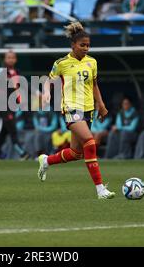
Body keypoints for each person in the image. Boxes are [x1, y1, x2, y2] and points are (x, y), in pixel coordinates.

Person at [37, 22, 116, 200]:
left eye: (88, 45)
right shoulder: (62, 63)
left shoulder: (92, 62)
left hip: (88, 110)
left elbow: (94, 85)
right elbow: (49, 81)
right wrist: (47, 94)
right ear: (73, 45)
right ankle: (100, 190)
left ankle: (46, 161)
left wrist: (101, 105)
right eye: (82, 45)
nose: (86, 48)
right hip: (71, 108)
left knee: (76, 153)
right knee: (90, 142)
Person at [0, 50, 30, 160]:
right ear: (4, 59)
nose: (11, 59)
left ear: (16, 59)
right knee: (12, 129)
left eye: (13, 57)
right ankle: (22, 153)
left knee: (5, 130)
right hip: (2, 105)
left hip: (13, 106)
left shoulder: (17, 72)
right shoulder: (0, 71)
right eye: (8, 57)